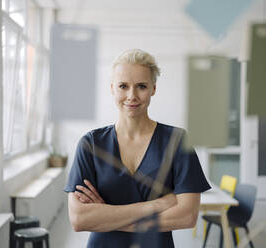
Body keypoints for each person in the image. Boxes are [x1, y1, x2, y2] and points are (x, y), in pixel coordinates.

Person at [64, 49, 211, 248]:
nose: (131, 96)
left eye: (141, 86)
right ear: (112, 89)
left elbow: (187, 216)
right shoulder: (90, 144)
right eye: (123, 86)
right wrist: (156, 205)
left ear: (153, 89)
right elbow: (79, 219)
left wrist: (107, 217)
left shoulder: (177, 141)